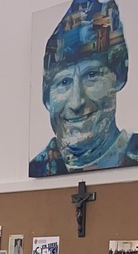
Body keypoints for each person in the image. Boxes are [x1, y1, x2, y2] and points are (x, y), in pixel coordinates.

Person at [30, 0, 138, 177]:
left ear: (118, 78)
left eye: (92, 75)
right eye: (63, 82)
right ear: (47, 98)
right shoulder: (40, 166)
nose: (76, 102)